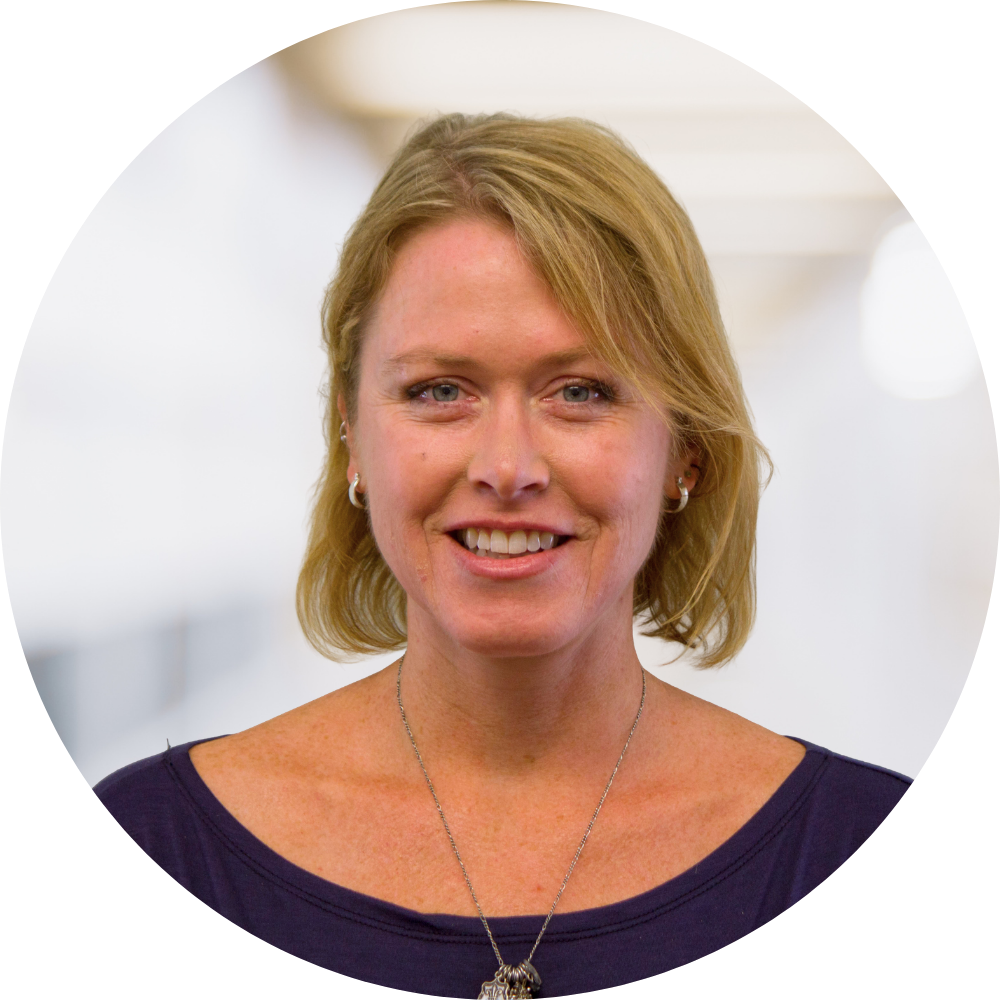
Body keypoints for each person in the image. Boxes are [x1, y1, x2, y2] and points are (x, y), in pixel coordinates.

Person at [95, 113, 911, 998]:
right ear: (350, 434)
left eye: (580, 392)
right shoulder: (141, 850)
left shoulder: (883, 868)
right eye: (439, 391)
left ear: (686, 448)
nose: (506, 469)